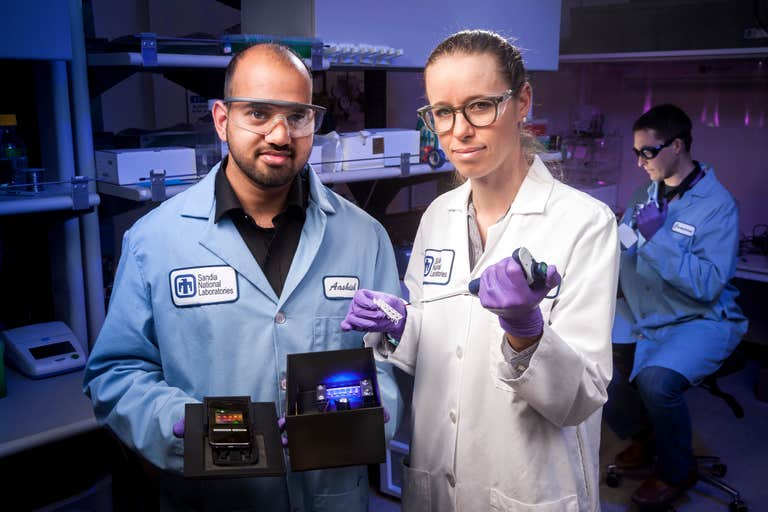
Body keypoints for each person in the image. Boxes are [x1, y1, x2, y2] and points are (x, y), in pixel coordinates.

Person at [83, 42, 402, 511]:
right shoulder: (155, 240)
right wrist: (179, 423)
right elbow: (116, 374)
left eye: (297, 116)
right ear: (221, 119)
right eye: (257, 113)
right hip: (216, 499)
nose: (280, 134)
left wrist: (376, 412)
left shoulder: (364, 237)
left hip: (332, 497)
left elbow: (388, 356)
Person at [341, 29, 619, 511]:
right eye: (442, 112)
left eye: (480, 106)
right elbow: (443, 346)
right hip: (437, 481)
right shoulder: (438, 215)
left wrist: (526, 332)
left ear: (522, 100)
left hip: (530, 483)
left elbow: (582, 397)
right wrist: (402, 325)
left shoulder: (584, 224)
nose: (459, 130)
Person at [604, 104, 748, 507]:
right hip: (645, 311)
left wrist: (658, 239)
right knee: (595, 360)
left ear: (677, 146)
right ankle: (645, 436)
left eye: (647, 151)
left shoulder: (718, 206)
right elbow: (627, 249)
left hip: (697, 319)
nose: (639, 161)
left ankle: (676, 470)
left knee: (655, 382)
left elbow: (706, 285)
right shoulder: (642, 195)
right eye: (636, 152)